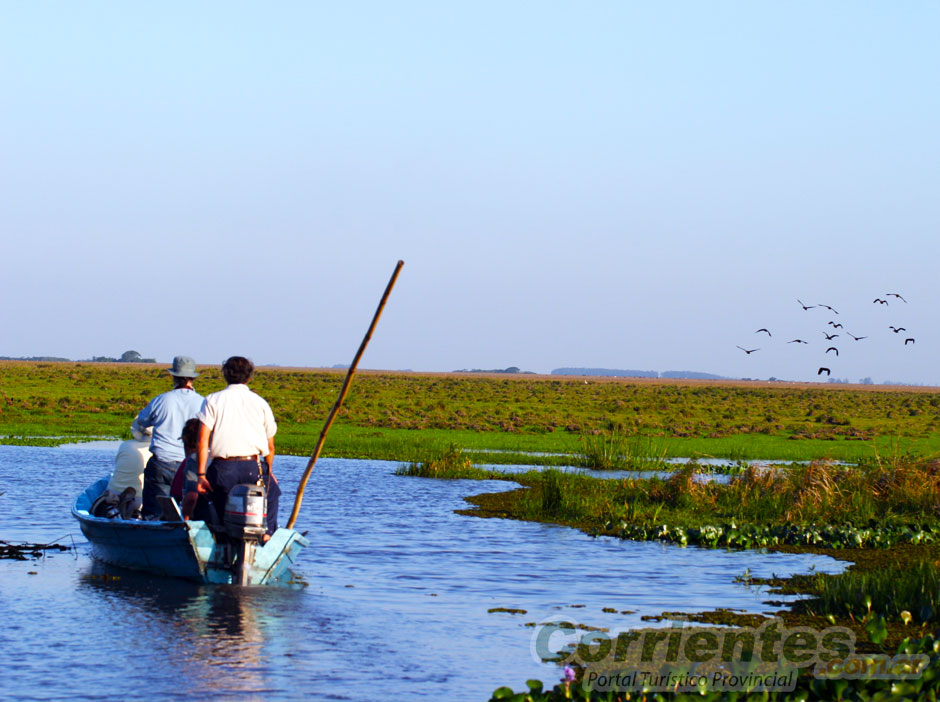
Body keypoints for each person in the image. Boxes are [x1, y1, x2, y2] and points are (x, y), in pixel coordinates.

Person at [195, 356, 281, 537]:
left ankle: (215, 537)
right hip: (253, 466)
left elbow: (203, 440)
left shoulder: (212, 400)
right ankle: (268, 533)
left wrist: (201, 475)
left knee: (207, 502)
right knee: (272, 493)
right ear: (249, 377)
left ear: (225, 374)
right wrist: (269, 472)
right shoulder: (260, 403)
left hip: (223, 467)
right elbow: (270, 446)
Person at [136, 356, 204, 518]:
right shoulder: (203, 403)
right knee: (192, 512)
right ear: (192, 379)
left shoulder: (161, 400)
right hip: (192, 465)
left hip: (162, 463)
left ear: (173, 376)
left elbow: (142, 421)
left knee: (155, 513)